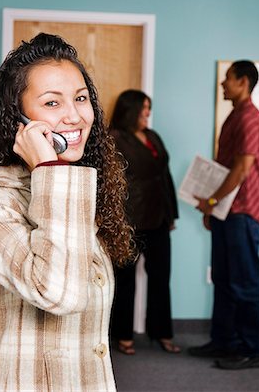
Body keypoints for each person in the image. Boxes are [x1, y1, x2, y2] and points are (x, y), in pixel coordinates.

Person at [0, 33, 134, 391]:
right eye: (51, 103)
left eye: (80, 98)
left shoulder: (72, 190)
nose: (75, 116)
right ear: (17, 118)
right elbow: (60, 293)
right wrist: (48, 168)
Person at [189, 60, 259, 370]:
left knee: (244, 283)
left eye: (228, 80)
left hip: (243, 211)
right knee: (223, 278)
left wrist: (211, 200)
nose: (222, 84)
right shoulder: (235, 115)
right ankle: (224, 341)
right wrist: (213, 208)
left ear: (243, 82)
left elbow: (242, 169)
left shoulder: (249, 117)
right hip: (227, 211)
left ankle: (251, 350)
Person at [110, 89, 180, 355]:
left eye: (149, 108)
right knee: (125, 280)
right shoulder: (115, 138)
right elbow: (112, 183)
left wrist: (172, 214)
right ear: (130, 110)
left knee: (162, 278)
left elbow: (165, 176)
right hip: (131, 220)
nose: (148, 113)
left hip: (159, 217)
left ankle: (162, 333)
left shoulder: (153, 137)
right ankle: (123, 335)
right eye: (144, 108)